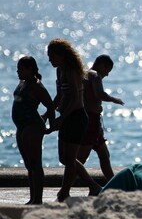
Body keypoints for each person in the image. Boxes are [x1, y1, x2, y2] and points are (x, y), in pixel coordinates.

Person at [46, 38, 103, 201]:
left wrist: (61, 118)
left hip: (76, 117)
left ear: (62, 55)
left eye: (52, 56)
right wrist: (47, 112)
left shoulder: (72, 71)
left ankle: (65, 192)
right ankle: (93, 185)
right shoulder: (60, 70)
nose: (49, 59)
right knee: (64, 158)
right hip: (66, 117)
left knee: (70, 159)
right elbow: (60, 95)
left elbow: (77, 101)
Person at [12, 56, 55, 204]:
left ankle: (38, 200)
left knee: (36, 164)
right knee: (28, 165)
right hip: (21, 127)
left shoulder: (37, 86)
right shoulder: (22, 82)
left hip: (33, 127)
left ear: (30, 69)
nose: (18, 71)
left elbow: (50, 105)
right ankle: (32, 198)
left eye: (21, 69)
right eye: (18, 68)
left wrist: (52, 125)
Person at [77, 54, 124, 181]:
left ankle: (113, 184)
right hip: (91, 121)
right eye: (107, 71)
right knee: (80, 158)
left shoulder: (84, 73)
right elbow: (100, 94)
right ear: (102, 65)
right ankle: (66, 188)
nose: (107, 75)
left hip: (92, 120)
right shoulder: (95, 75)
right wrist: (114, 99)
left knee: (104, 155)